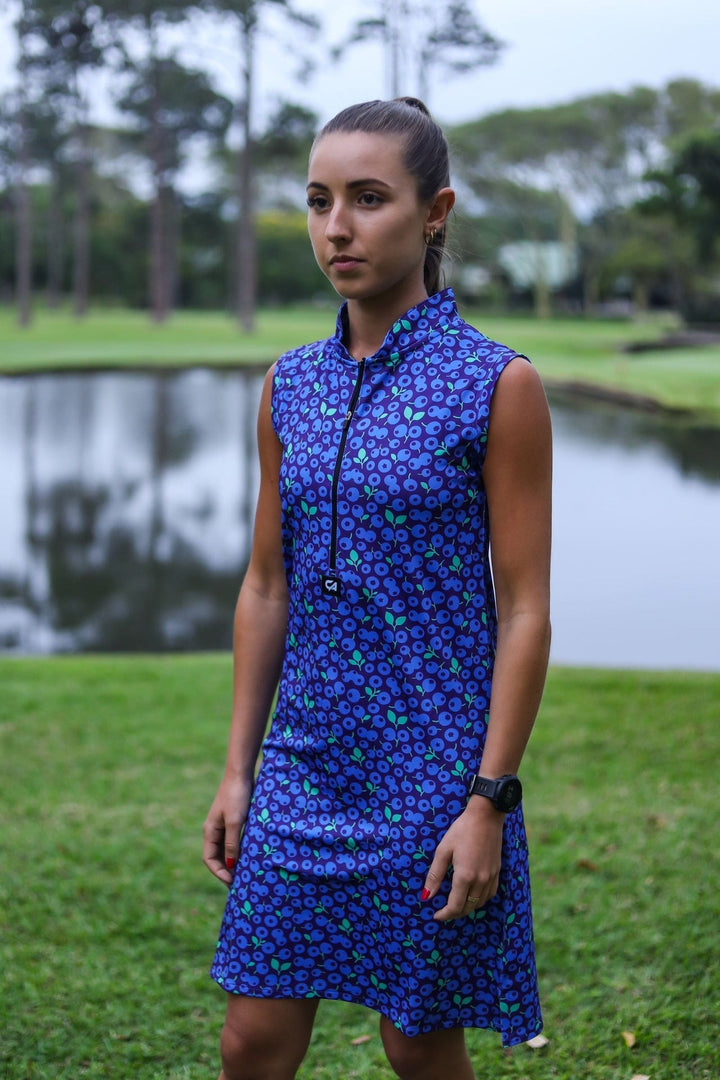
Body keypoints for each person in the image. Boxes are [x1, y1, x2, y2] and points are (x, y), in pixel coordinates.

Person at [203, 97, 552, 1080]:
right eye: (318, 201)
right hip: (304, 764)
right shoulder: (290, 384)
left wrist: (488, 799)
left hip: (433, 773)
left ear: (434, 212)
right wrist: (240, 769)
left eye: (367, 199)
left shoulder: (496, 385)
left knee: (417, 1042)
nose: (337, 228)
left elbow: (525, 608)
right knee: (253, 1038)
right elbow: (267, 583)